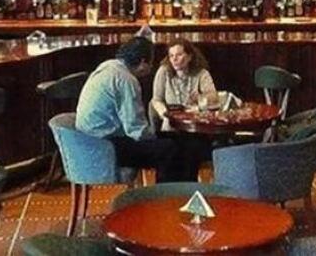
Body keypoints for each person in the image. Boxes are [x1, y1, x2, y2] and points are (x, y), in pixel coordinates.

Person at [76, 36, 180, 182]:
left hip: (86, 140)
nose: (151, 67)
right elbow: (136, 130)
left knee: (167, 140)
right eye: (151, 62)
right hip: (107, 145)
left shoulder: (108, 66)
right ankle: (167, 193)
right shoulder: (127, 80)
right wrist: (156, 136)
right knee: (169, 148)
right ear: (143, 62)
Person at [151, 40, 217, 180]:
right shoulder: (163, 72)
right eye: (171, 55)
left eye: (179, 55)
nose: (174, 59)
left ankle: (188, 187)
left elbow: (213, 98)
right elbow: (156, 100)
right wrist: (164, 114)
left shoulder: (201, 73)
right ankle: (165, 189)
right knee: (168, 150)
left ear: (189, 56)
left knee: (191, 150)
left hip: (193, 128)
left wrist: (200, 99)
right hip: (170, 126)